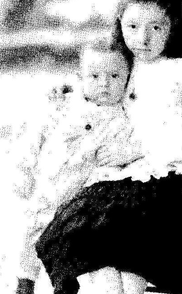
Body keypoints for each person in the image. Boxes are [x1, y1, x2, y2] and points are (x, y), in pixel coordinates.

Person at [35, 0, 182, 294]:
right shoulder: (122, 65)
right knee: (76, 225)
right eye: (132, 26)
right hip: (118, 178)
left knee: (131, 227)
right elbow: (96, 92)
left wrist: (140, 150)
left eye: (156, 28)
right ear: (119, 23)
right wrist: (70, 95)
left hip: (174, 179)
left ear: (173, 26)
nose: (142, 38)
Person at [14, 38, 136, 294]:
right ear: (81, 78)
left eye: (114, 76)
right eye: (94, 76)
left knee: (69, 241)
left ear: (127, 79)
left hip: (79, 196)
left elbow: (118, 159)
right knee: (30, 232)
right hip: (48, 184)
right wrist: (25, 169)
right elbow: (38, 132)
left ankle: (63, 285)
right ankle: (24, 282)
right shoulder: (67, 105)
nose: (104, 84)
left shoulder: (121, 119)